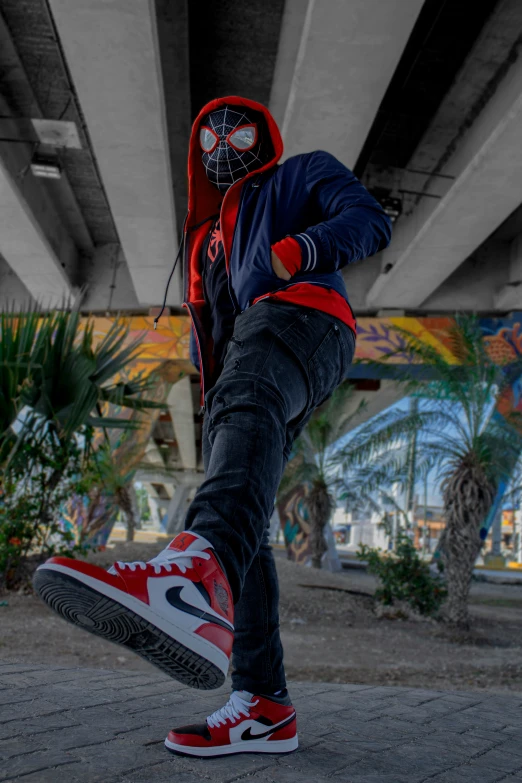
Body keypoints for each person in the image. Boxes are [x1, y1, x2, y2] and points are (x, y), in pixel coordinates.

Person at [34, 96, 392, 758]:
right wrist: (220, 403)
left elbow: (369, 220)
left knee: (245, 424)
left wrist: (296, 251)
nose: (224, 142)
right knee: (246, 521)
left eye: (238, 129)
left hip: (303, 317)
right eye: (210, 135)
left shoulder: (301, 173)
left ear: (264, 136)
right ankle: (263, 702)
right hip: (249, 362)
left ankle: (192, 580)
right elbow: (214, 334)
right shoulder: (204, 242)